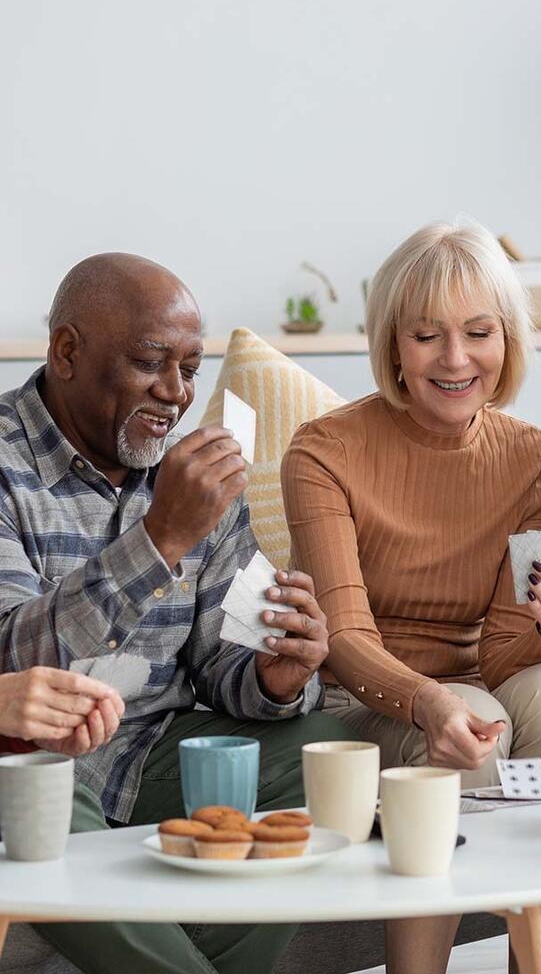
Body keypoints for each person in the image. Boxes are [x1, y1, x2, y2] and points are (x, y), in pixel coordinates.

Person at [0, 252, 353, 974]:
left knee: (326, 754)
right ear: (67, 351)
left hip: (154, 748)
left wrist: (276, 674)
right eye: (151, 362)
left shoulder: (194, 471)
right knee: (27, 800)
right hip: (32, 760)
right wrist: (160, 538)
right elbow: (13, 663)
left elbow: (222, 662)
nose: (175, 393)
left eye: (191, 369)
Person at [281, 219, 541, 973]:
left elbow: (503, 648)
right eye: (427, 335)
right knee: (478, 726)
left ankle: (536, 965)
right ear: (394, 344)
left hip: (477, 685)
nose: (456, 360)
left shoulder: (531, 457)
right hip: (363, 701)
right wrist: (432, 702)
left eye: (478, 333)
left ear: (507, 340)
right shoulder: (324, 452)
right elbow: (344, 638)